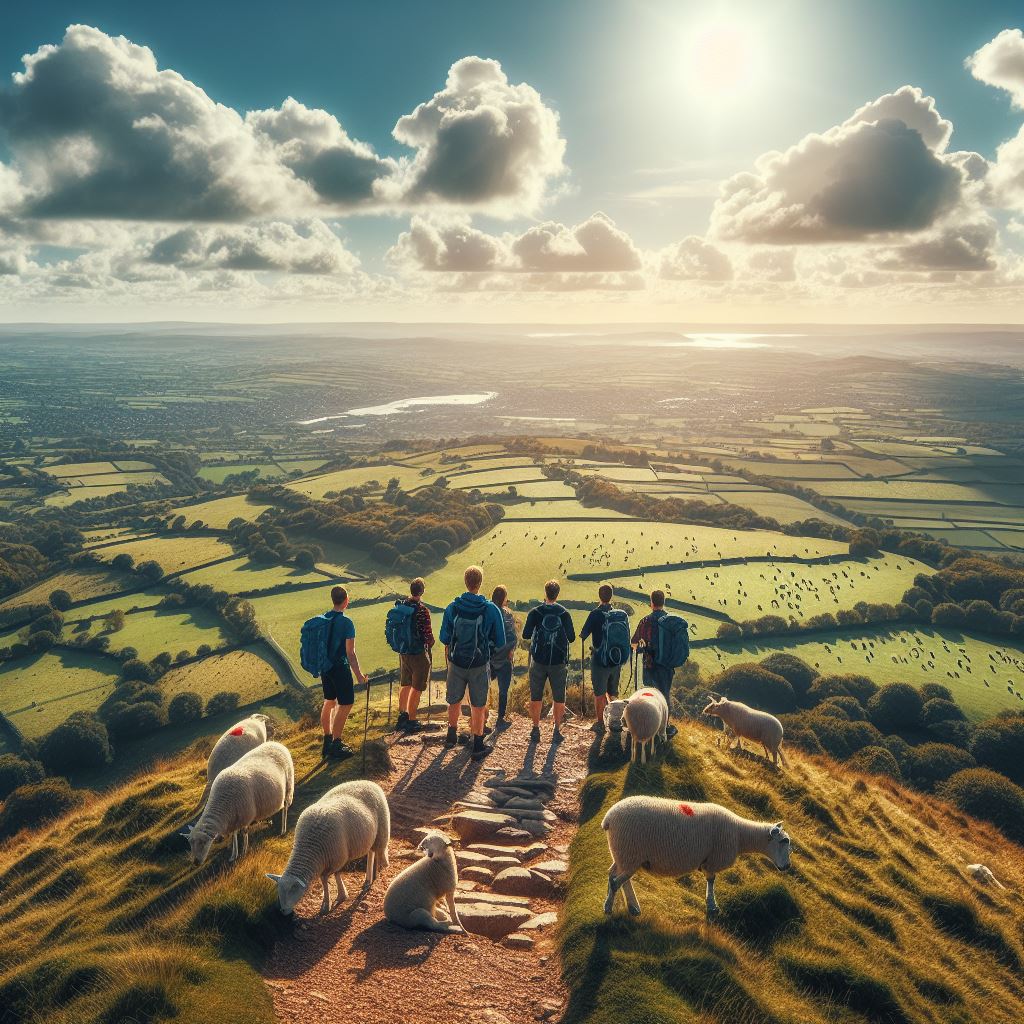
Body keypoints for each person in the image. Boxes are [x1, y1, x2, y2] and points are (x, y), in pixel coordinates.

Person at [440, 565, 506, 760]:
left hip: (456, 662)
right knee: (478, 704)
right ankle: (477, 745)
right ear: (480, 583)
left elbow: (444, 636)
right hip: (479, 663)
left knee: (454, 699)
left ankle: (451, 736)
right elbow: (501, 641)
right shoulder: (490, 608)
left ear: (465, 581)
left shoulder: (453, 607)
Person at [522, 579, 575, 744]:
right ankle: (556, 730)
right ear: (557, 594)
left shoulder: (535, 612)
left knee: (536, 696)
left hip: (538, 660)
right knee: (559, 697)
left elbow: (525, 635)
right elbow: (572, 638)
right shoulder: (564, 614)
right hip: (558, 662)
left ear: (545, 593)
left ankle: (536, 729)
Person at [320, 585, 367, 760]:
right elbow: (350, 653)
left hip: (325, 667)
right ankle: (336, 744)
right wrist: (360, 676)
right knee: (346, 703)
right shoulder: (346, 622)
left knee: (329, 701)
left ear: (333, 600)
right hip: (340, 667)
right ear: (346, 600)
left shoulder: (324, 618)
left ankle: (327, 739)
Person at [631, 589, 678, 738]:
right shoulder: (671, 621)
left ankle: (647, 725)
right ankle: (664, 729)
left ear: (651, 602)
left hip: (649, 665)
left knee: (648, 696)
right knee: (664, 696)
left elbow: (633, 643)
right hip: (666, 666)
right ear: (664, 602)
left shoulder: (645, 621)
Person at [580, 583, 627, 731]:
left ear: (599, 596)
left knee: (599, 693)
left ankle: (600, 723)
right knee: (613, 693)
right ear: (611, 596)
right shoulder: (620, 615)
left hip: (600, 660)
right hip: (616, 659)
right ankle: (614, 721)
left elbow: (583, 635)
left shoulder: (595, 614)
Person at [394, 577, 434, 734]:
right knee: (417, 688)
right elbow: (428, 636)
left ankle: (402, 716)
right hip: (417, 654)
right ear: (422, 591)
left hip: (403, 652)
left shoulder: (401, 607)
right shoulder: (422, 610)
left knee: (405, 684)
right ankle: (412, 721)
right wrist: (430, 644)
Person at [489, 585, 518, 730]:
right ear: (504, 598)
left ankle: (481, 715)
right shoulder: (508, 614)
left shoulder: (487, 611)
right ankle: (500, 718)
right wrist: (510, 651)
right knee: (503, 690)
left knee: (483, 686)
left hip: (489, 657)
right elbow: (513, 637)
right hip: (505, 657)